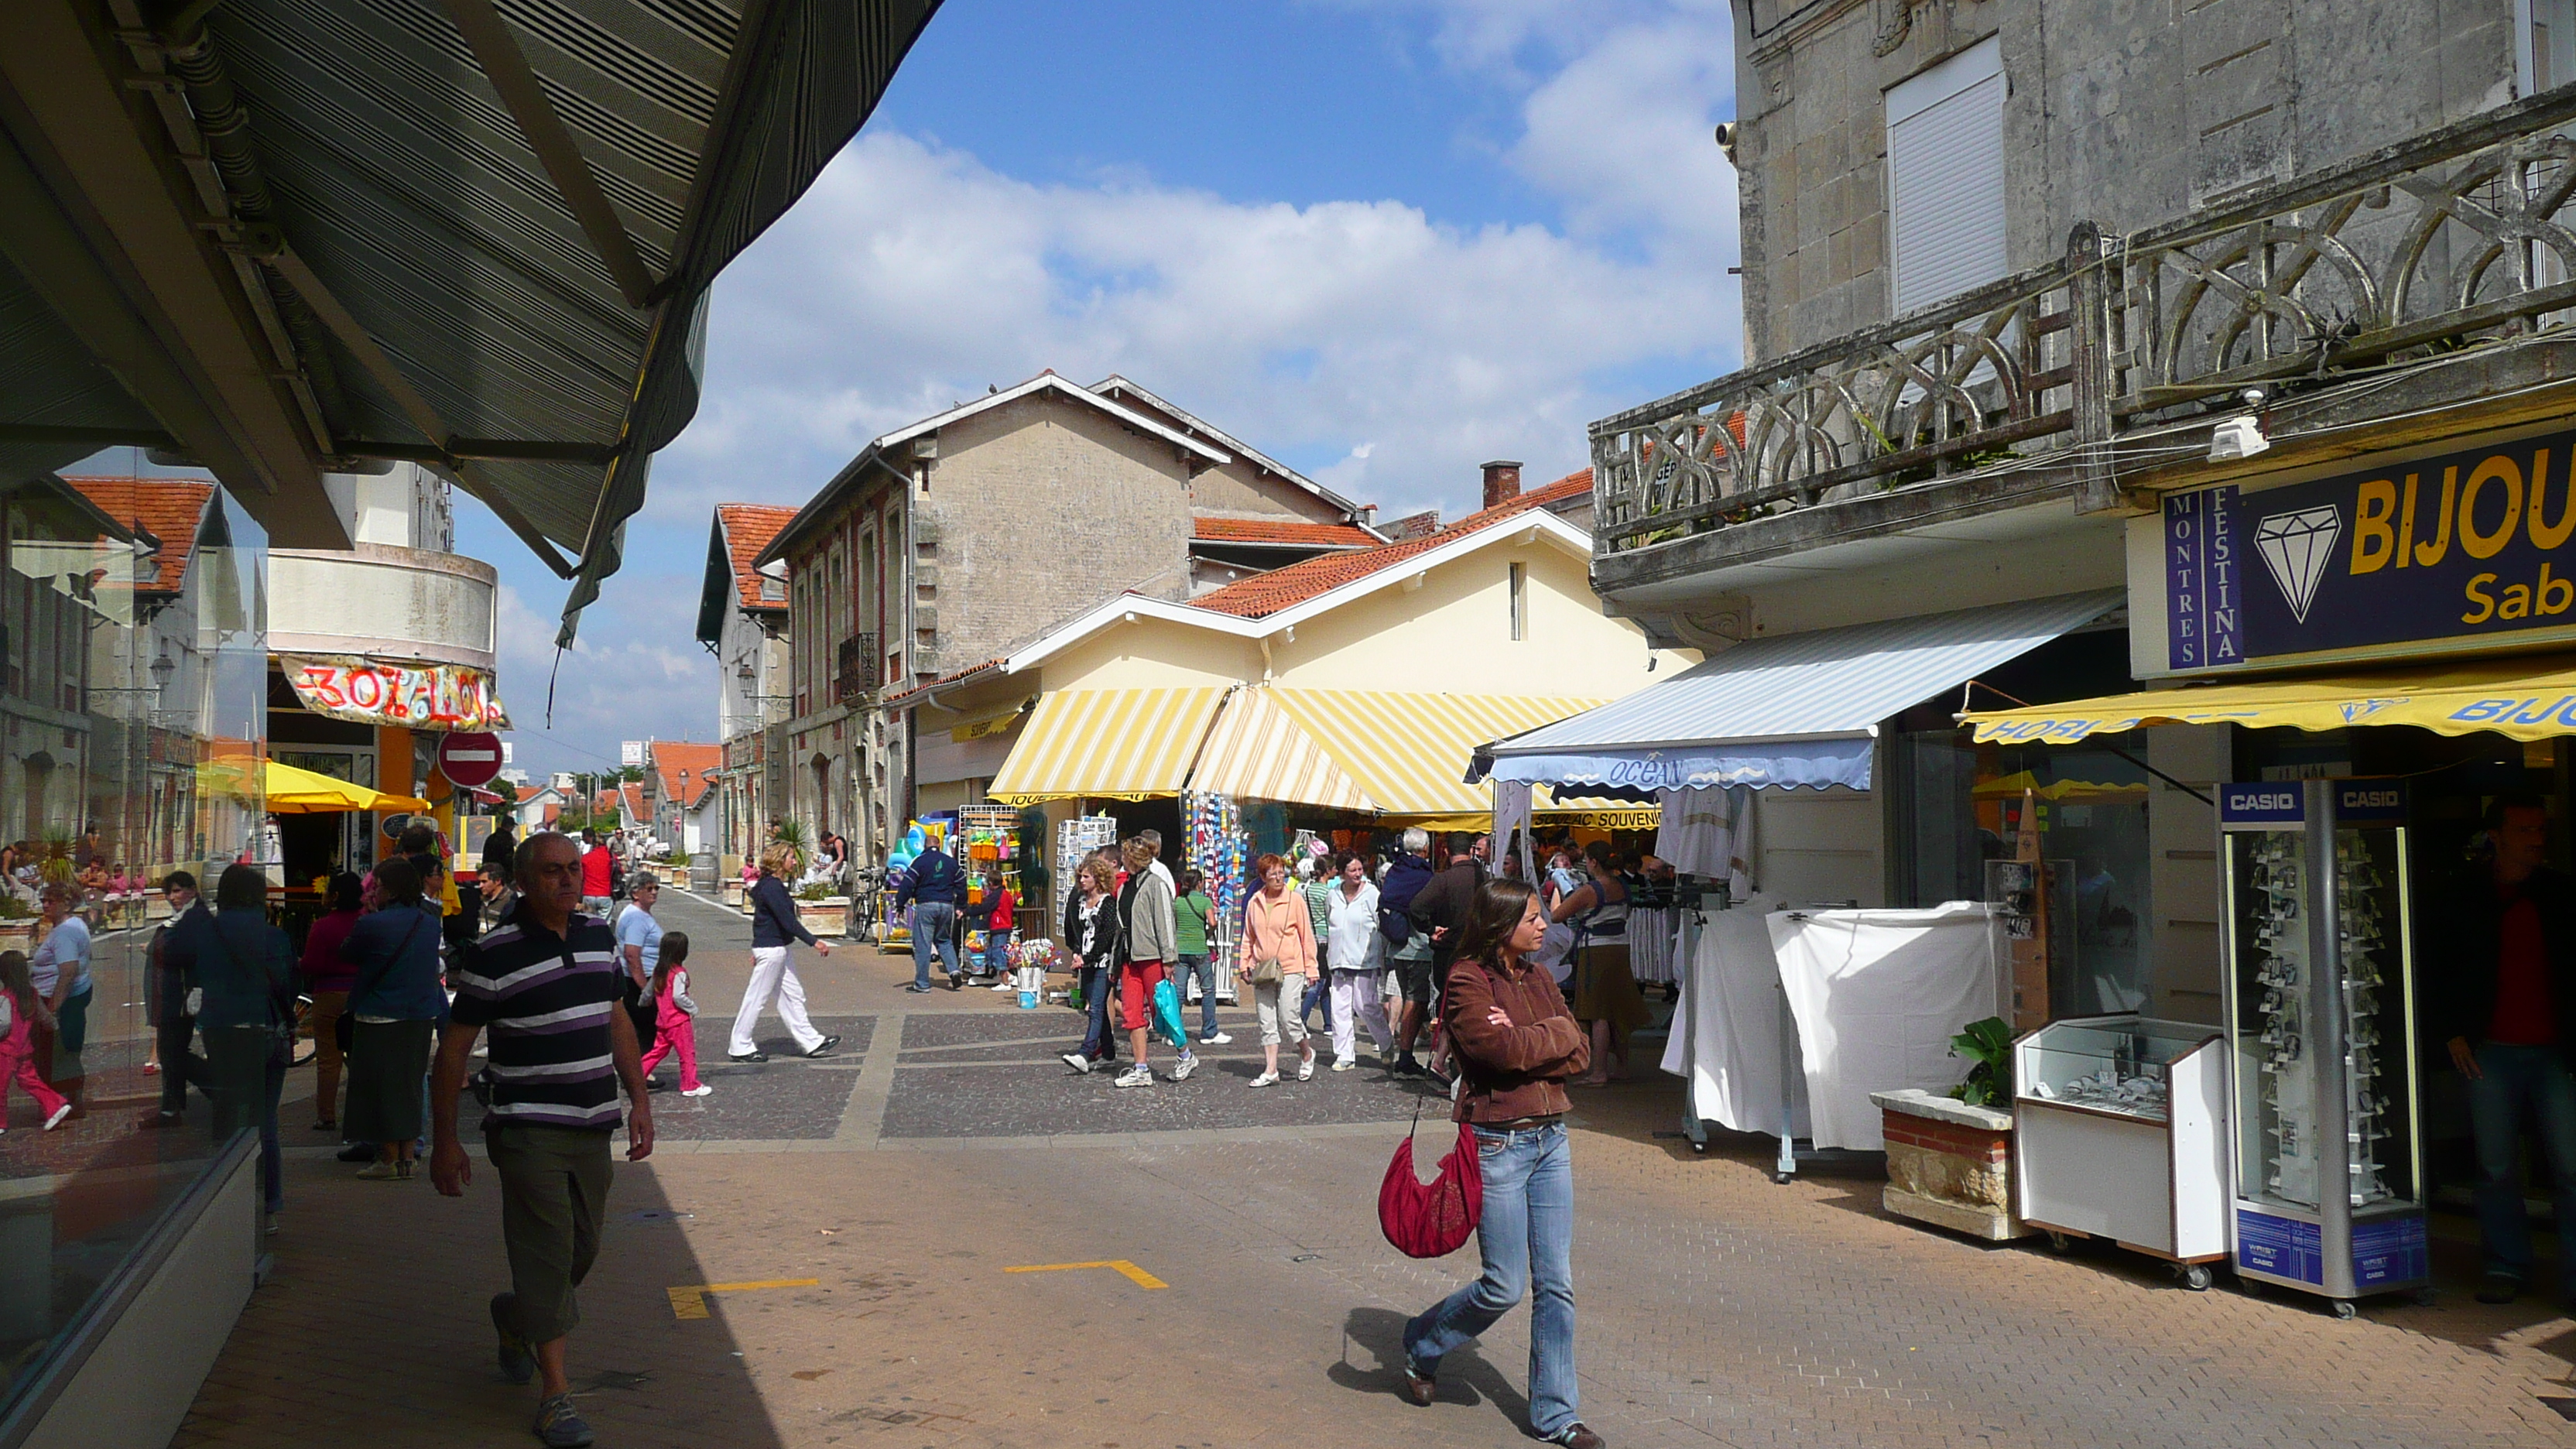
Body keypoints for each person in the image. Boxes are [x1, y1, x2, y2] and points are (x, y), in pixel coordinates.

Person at [432, 831, 653, 1449]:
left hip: (591, 1126)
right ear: (524, 881)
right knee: (549, 1252)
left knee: (581, 1248)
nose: (567, 881)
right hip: (526, 1126)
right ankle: (556, 1398)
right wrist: (446, 1140)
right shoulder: (492, 954)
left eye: (574, 870)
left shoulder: (596, 936)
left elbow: (615, 1019)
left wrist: (639, 1101)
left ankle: (515, 1316)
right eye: (552, 871)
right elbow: (453, 1052)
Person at [1399, 878, 1598, 1448]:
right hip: (1498, 1145)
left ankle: (1558, 1415)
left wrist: (1547, 1034)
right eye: (1533, 918)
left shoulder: (1538, 977)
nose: (1544, 926)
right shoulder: (1466, 979)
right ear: (1500, 924)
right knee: (1505, 1285)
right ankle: (1423, 1343)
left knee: (1557, 1285)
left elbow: (1579, 1051)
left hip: (1551, 1141)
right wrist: (1553, 1037)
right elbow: (1498, 1054)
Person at [2432, 793, 2576, 1307]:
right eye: (2525, 831)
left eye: (2541, 830)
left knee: (2570, 1167)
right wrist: (2452, 1031)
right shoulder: (2464, 896)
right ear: (2497, 836)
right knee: (2495, 1166)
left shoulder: (2559, 894)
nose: (2537, 840)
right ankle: (2505, 1265)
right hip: (2489, 1051)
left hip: (2555, 1052)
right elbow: (2438, 967)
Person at [166, 865, 296, 1232]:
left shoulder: (205, 932)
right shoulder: (275, 937)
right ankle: (269, 1204)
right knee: (266, 1119)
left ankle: (232, 1202)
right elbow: (289, 983)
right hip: (271, 1030)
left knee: (229, 1120)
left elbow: (172, 955)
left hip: (225, 1032)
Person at [341, 858, 444, 1181]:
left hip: (379, 1014)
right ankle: (408, 1156)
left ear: (391, 889)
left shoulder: (373, 924)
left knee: (381, 1089)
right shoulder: (429, 922)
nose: (376, 892)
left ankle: (387, 1158)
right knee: (411, 1085)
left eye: (379, 886)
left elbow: (348, 953)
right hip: (420, 1014)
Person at [1553, 841, 1650, 1086]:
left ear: (1594, 862)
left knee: (1598, 1013)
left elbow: (1557, 915)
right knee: (1618, 1009)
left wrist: (1557, 887)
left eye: (1587, 858)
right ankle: (1622, 1066)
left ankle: (1598, 1071)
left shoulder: (1590, 890)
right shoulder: (1622, 885)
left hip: (1596, 949)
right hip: (1620, 946)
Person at [733, 844, 839, 1063]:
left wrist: (758, 946)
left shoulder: (769, 885)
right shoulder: (772, 887)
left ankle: (811, 1041)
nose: (794, 861)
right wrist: (814, 941)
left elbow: (764, 920)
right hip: (772, 950)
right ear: (780, 860)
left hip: (776, 948)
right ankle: (740, 1044)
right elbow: (787, 921)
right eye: (791, 857)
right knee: (756, 998)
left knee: (793, 995)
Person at [1109, 837, 1196, 1088]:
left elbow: (1166, 922)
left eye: (1125, 856)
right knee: (1132, 1013)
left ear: (1132, 858)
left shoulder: (1155, 884)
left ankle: (1185, 1055)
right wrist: (1116, 962)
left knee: (1162, 1010)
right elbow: (1120, 927)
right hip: (1129, 958)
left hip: (1151, 957)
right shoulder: (1125, 887)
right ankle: (1141, 1068)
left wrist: (1170, 959)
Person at [1406, 831, 1488, 1080]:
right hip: (1479, 952)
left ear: (1445, 852)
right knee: (1470, 1007)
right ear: (1472, 850)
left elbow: (1416, 907)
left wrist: (1430, 930)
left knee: (1451, 1006)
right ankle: (1451, 1059)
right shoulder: (1485, 878)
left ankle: (1447, 1059)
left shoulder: (1444, 880)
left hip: (1449, 953)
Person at [1237, 853, 1318, 1088]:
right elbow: (1248, 937)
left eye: (1281, 872)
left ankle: (1306, 1052)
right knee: (1266, 1019)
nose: (1278, 877)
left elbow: (1307, 937)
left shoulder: (1295, 901)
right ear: (1263, 877)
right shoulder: (1255, 902)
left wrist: (1312, 968)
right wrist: (1244, 963)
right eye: (1273, 873)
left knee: (1289, 1015)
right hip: (1263, 968)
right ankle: (1271, 1069)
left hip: (1291, 967)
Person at [145, 870, 214, 1127]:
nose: (172, 897)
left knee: (173, 1052)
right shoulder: (185, 918)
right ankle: (171, 1107)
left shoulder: (194, 918)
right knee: (169, 1051)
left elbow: (183, 952)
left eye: (177, 891)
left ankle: (218, 1090)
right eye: (169, 892)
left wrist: (155, 949)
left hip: (181, 998)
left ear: (192, 890)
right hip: (173, 997)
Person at [300, 872, 365, 1133]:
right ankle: (361, 1115)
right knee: (362, 1058)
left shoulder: (322, 926)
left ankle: (326, 1115)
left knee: (328, 1060)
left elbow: (311, 964)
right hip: (361, 995)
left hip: (328, 996)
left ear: (335, 895)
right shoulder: (367, 922)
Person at [1324, 851, 1393, 1071]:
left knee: (1366, 1006)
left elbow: (1381, 924)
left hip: (1365, 959)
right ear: (1342, 873)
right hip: (1338, 959)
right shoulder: (1332, 895)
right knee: (1340, 1008)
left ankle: (1386, 1043)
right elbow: (1330, 922)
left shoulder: (1372, 893)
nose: (1357, 874)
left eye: (1360, 870)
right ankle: (1344, 1054)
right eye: (1352, 870)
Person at [29, 883, 93, 1116]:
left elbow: (68, 971)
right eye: (44, 900)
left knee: (55, 1053)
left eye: (51, 901)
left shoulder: (65, 932)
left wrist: (52, 1009)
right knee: (65, 1052)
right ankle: (67, 1101)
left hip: (61, 1000)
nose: (46, 905)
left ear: (66, 903)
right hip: (71, 996)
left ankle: (63, 1103)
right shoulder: (76, 925)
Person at [1380, 829, 1437, 1076]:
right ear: (1425, 850)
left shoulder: (1395, 871)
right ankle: (1405, 1058)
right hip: (1418, 949)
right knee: (1415, 1001)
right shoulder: (1425, 875)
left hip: (1396, 948)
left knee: (1408, 998)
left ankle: (1406, 1051)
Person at [1060, 855, 1124, 1074]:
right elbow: (1077, 929)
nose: (1082, 880)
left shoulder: (1107, 903)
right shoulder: (1080, 901)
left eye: (1086, 876)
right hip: (1085, 962)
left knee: (1096, 1007)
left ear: (1098, 878)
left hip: (1103, 962)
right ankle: (1108, 1052)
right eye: (1081, 876)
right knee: (1098, 1011)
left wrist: (1090, 957)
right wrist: (1077, 953)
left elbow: (1107, 936)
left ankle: (1085, 1053)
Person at [0, 952, 70, 1131]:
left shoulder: (5, 997)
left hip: (6, 1049)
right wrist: (54, 1026)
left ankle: (1, 1123)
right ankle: (55, 1104)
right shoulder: (32, 993)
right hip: (24, 1048)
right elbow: (44, 1016)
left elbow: (4, 1024)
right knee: (29, 1080)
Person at [638, 931, 709, 1097]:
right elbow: (679, 996)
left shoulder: (660, 971)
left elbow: (648, 992)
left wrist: (642, 1003)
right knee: (687, 1054)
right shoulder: (679, 972)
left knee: (657, 1051)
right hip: (678, 1021)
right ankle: (690, 1085)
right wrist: (692, 1008)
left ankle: (637, 1075)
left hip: (663, 1020)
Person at [898, 837, 964, 992]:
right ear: (939, 845)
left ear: (925, 845)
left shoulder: (919, 862)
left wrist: (900, 905)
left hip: (926, 904)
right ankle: (954, 971)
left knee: (923, 944)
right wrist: (961, 906)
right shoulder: (951, 862)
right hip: (947, 905)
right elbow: (961, 883)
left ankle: (922, 984)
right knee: (944, 940)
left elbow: (907, 884)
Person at [1172, 868, 1227, 1044]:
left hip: (1181, 950)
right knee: (1208, 991)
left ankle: (1174, 1033)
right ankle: (1209, 1032)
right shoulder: (1205, 901)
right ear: (1200, 883)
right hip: (1200, 949)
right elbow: (1213, 922)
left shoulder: (1178, 901)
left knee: (1179, 992)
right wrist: (1207, 934)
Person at [615, 872, 666, 1055]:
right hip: (640, 981)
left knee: (645, 1029)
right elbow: (632, 955)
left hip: (645, 978)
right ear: (636, 893)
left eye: (656, 888)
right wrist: (646, 989)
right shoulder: (636, 917)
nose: (654, 892)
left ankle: (642, 1072)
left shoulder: (641, 915)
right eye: (649, 888)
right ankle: (642, 1074)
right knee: (645, 1029)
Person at [578, 828, 613, 916]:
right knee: (604, 925)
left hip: (588, 893)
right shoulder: (610, 857)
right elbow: (620, 871)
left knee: (589, 923)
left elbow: (580, 876)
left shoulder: (585, 858)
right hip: (605, 893)